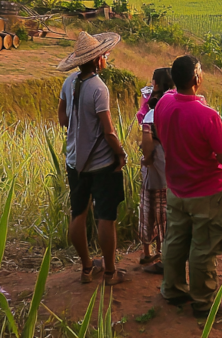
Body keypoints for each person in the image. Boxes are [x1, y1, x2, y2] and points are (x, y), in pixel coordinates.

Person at [153, 55, 222, 318]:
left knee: (175, 240)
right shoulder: (208, 116)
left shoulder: (164, 104)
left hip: (176, 188)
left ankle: (173, 289)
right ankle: (203, 302)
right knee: (203, 248)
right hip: (206, 191)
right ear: (197, 79)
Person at [57, 31, 129, 286]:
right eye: (105, 55)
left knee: (78, 213)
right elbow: (108, 130)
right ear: (98, 59)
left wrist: (79, 129)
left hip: (75, 161)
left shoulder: (69, 82)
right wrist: (120, 153)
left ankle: (87, 268)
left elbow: (63, 119)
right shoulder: (99, 88)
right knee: (105, 216)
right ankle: (110, 271)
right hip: (100, 162)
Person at [138, 67, 174, 275]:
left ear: (157, 84)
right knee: (163, 210)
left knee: (149, 207)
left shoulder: (152, 110)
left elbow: (147, 141)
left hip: (155, 167)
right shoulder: (172, 105)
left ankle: (147, 250)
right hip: (168, 168)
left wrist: (147, 158)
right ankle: (161, 251)